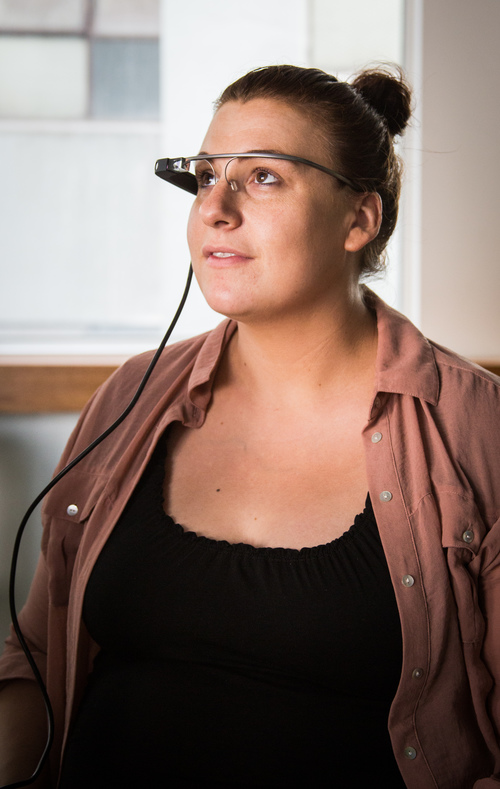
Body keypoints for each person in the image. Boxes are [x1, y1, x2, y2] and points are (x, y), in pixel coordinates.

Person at [0, 63, 499, 789]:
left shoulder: (475, 430)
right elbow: (40, 650)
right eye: (206, 177)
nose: (215, 209)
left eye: (264, 177)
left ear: (361, 219)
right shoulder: (131, 399)